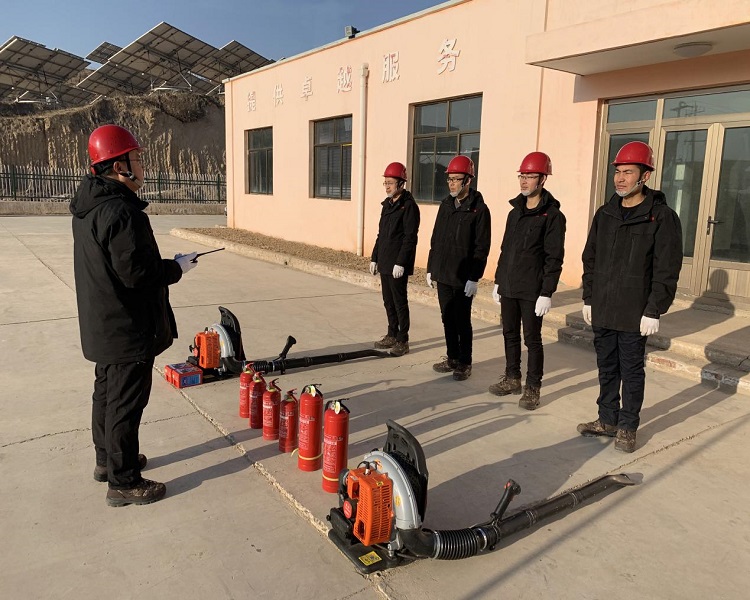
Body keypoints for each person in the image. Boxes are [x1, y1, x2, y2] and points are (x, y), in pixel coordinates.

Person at [70, 124, 199, 506]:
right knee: (126, 403)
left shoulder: (89, 208)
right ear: (118, 166)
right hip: (127, 327)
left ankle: (107, 461)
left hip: (104, 322)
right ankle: (124, 482)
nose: (142, 166)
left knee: (106, 394)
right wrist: (177, 268)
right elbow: (138, 274)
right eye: (137, 159)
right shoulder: (122, 212)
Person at [578, 141, 682, 453]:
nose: (620, 179)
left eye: (628, 172)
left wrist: (654, 309)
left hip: (635, 312)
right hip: (604, 306)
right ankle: (607, 419)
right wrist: (588, 297)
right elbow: (590, 258)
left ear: (645, 176)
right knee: (607, 367)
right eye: (618, 172)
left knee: (631, 371)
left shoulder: (660, 217)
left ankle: (627, 426)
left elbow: (666, 268)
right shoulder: (605, 213)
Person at [489, 152, 566, 409]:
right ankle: (512, 378)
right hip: (510, 285)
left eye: (530, 176)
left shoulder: (552, 216)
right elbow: (505, 249)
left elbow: (554, 258)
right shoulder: (515, 213)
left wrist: (547, 292)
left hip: (532, 289)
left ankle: (533, 387)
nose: (524, 181)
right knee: (509, 333)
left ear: (542, 179)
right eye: (522, 176)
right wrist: (499, 280)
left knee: (532, 340)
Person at [427, 155, 491, 380]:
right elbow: (436, 238)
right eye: (449, 179)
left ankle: (465, 362)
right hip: (444, 273)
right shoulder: (445, 205)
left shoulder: (479, 210)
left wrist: (474, 277)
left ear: (468, 181)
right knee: (447, 317)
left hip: (463, 278)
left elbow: (481, 247)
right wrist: (431, 268)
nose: (451, 183)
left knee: (462, 320)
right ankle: (452, 357)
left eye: (456, 179)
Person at [370, 162, 420, 357]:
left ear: (401, 183)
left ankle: (402, 339)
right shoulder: (387, 205)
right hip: (385, 260)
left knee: (399, 302)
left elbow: (410, 238)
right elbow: (381, 234)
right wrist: (374, 257)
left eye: (390, 183)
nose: (387, 187)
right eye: (385, 183)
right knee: (388, 301)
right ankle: (391, 333)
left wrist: (401, 262)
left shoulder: (409, 207)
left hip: (397, 264)